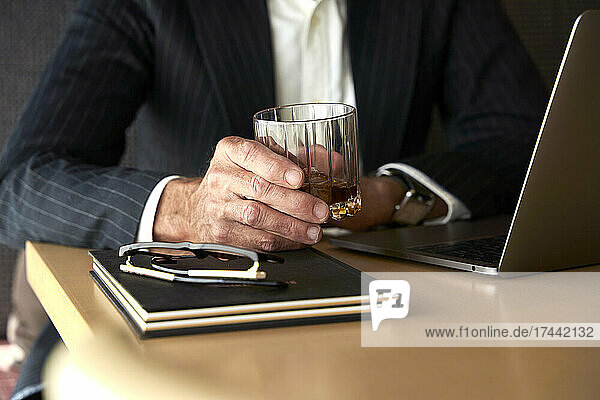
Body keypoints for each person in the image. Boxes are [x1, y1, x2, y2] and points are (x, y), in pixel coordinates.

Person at [1, 0, 547, 398]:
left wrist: (390, 194)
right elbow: (20, 181)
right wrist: (189, 209)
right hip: (182, 319)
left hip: (384, 315)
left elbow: (527, 140)